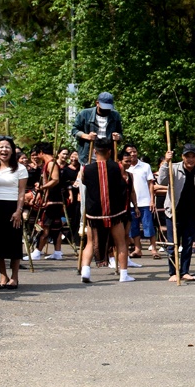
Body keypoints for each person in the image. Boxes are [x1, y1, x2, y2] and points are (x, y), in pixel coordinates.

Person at [80, 137, 133, 283]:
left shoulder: (86, 169)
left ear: (95, 151)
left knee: (90, 242)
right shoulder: (118, 167)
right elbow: (125, 183)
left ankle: (86, 270)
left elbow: (84, 182)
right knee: (120, 242)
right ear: (109, 152)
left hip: (94, 211)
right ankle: (123, 274)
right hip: (113, 211)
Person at [158, 144, 195, 282]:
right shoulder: (173, 168)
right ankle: (173, 272)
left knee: (188, 244)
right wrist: (165, 163)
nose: (190, 160)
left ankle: (185, 271)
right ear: (183, 157)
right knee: (173, 243)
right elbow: (161, 180)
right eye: (188, 156)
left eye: (193, 156)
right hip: (174, 212)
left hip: (191, 212)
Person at [0, 137, 29, 289]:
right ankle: (3, 275)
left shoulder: (20, 168)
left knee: (14, 242)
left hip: (12, 208)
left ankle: (15, 277)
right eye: (1, 147)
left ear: (12, 150)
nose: (4, 150)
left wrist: (18, 210)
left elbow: (22, 192)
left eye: (7, 147)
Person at [30, 144, 65, 260]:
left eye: (36, 154)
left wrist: (42, 187)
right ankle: (58, 252)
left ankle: (37, 252)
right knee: (56, 227)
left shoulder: (51, 163)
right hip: (52, 200)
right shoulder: (47, 164)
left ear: (41, 152)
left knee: (45, 226)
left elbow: (55, 179)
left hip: (53, 201)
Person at [124, 145, 157, 260]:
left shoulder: (145, 166)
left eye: (134, 151)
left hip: (145, 201)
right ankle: (138, 249)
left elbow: (151, 183)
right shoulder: (125, 168)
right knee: (134, 227)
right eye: (129, 152)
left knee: (149, 226)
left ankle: (154, 248)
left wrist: (152, 200)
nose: (132, 154)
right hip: (131, 203)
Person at [73, 92, 123, 167]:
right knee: (88, 177)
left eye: (108, 107)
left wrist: (118, 137)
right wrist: (86, 136)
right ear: (97, 103)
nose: (106, 110)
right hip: (88, 156)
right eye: (104, 107)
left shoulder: (115, 115)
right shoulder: (85, 114)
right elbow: (74, 130)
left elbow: (121, 134)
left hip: (108, 157)